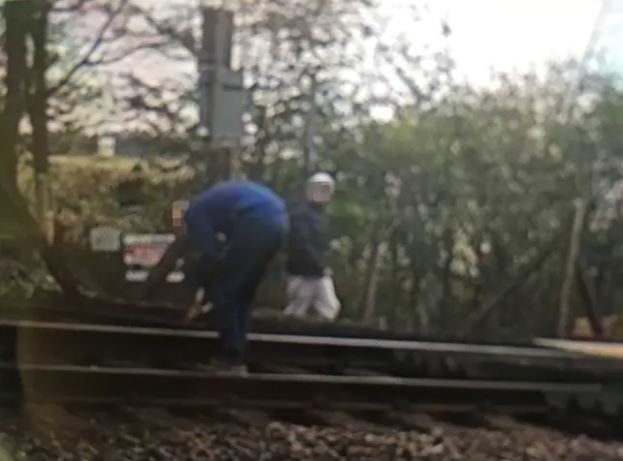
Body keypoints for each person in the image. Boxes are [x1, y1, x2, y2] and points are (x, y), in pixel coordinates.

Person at [183, 180, 288, 375]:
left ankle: (231, 359)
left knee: (225, 291)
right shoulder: (215, 202)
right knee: (243, 292)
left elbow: (209, 254)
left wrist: (204, 288)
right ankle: (238, 353)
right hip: (278, 221)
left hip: (255, 220)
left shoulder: (194, 214)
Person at [283, 172, 341, 322]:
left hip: (318, 272)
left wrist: (323, 263)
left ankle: (314, 334)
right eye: (318, 188)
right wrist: (317, 264)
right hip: (301, 273)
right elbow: (300, 244)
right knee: (297, 311)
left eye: (325, 190)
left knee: (329, 308)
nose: (321, 193)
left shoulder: (322, 217)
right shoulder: (300, 214)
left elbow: (321, 245)